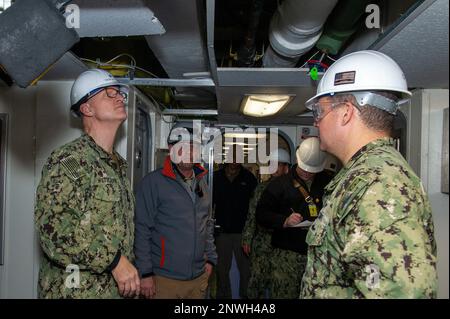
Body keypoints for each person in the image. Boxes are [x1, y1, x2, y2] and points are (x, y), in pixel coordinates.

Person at [300, 50, 437, 298]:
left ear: (346, 112)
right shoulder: (362, 176)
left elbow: (403, 292)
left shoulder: (380, 185)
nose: (316, 122)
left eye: (319, 112)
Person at [35, 69, 140, 298]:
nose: (120, 97)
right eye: (109, 94)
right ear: (87, 108)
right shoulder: (70, 161)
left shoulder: (117, 165)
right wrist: (113, 261)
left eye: (120, 94)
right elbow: (54, 231)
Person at [134, 122, 217, 299]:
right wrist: (145, 273)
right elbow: (141, 230)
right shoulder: (153, 183)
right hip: (164, 279)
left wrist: (210, 258)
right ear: (171, 148)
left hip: (198, 277)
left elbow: (207, 223)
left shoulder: (202, 183)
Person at [256, 137, 333, 298]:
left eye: (311, 170)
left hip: (318, 255)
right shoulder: (279, 185)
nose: (306, 172)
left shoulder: (328, 183)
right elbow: (261, 215)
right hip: (287, 255)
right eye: (304, 168)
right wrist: (284, 221)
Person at [241, 148, 290, 299]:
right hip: (261, 242)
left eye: (278, 164)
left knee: (281, 285)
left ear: (286, 168)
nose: (274, 167)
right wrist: (247, 239)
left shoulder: (292, 189)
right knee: (256, 283)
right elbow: (252, 215)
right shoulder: (261, 188)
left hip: (283, 246)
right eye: (272, 164)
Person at [213, 152, 258, 299]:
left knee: (246, 271)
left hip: (242, 233)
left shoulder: (249, 178)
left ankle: (244, 300)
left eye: (237, 156)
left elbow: (254, 206)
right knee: (221, 270)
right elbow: (208, 204)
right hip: (222, 232)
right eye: (231, 156)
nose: (234, 160)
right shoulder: (216, 177)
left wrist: (251, 232)